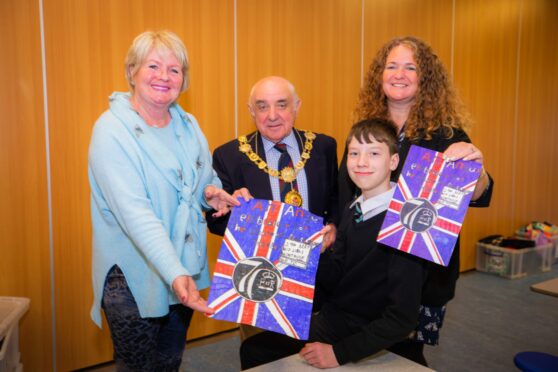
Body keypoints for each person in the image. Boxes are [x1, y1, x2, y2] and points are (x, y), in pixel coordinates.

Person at [88, 30, 239, 371]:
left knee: (170, 361)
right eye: (153, 65)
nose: (164, 76)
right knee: (139, 366)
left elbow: (202, 180)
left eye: (174, 69)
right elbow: (136, 214)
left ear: (183, 79)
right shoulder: (111, 130)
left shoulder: (187, 124)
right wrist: (174, 272)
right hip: (134, 278)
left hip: (183, 268)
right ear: (131, 71)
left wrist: (212, 194)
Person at [338, 36, 494, 356]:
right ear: (379, 75)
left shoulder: (448, 134)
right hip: (367, 264)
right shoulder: (365, 128)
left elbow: (476, 194)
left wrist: (477, 171)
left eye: (411, 67)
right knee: (357, 345)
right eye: (392, 65)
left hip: (423, 272)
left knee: (407, 353)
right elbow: (345, 193)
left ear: (425, 78)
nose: (399, 73)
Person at [240, 118, 428, 369]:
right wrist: (314, 253)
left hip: (364, 330)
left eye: (374, 153)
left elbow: (401, 318)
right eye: (354, 153)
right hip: (336, 316)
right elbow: (337, 275)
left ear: (393, 161)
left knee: (256, 352)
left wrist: (339, 353)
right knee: (255, 343)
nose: (361, 162)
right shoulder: (356, 207)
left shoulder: (406, 225)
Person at [206, 75, 339, 250]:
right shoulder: (229, 156)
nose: (272, 115)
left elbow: (337, 202)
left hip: (318, 267)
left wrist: (334, 227)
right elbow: (214, 222)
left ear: (297, 106)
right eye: (262, 107)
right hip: (260, 268)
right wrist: (237, 213)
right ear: (252, 111)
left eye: (282, 105)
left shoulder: (323, 147)